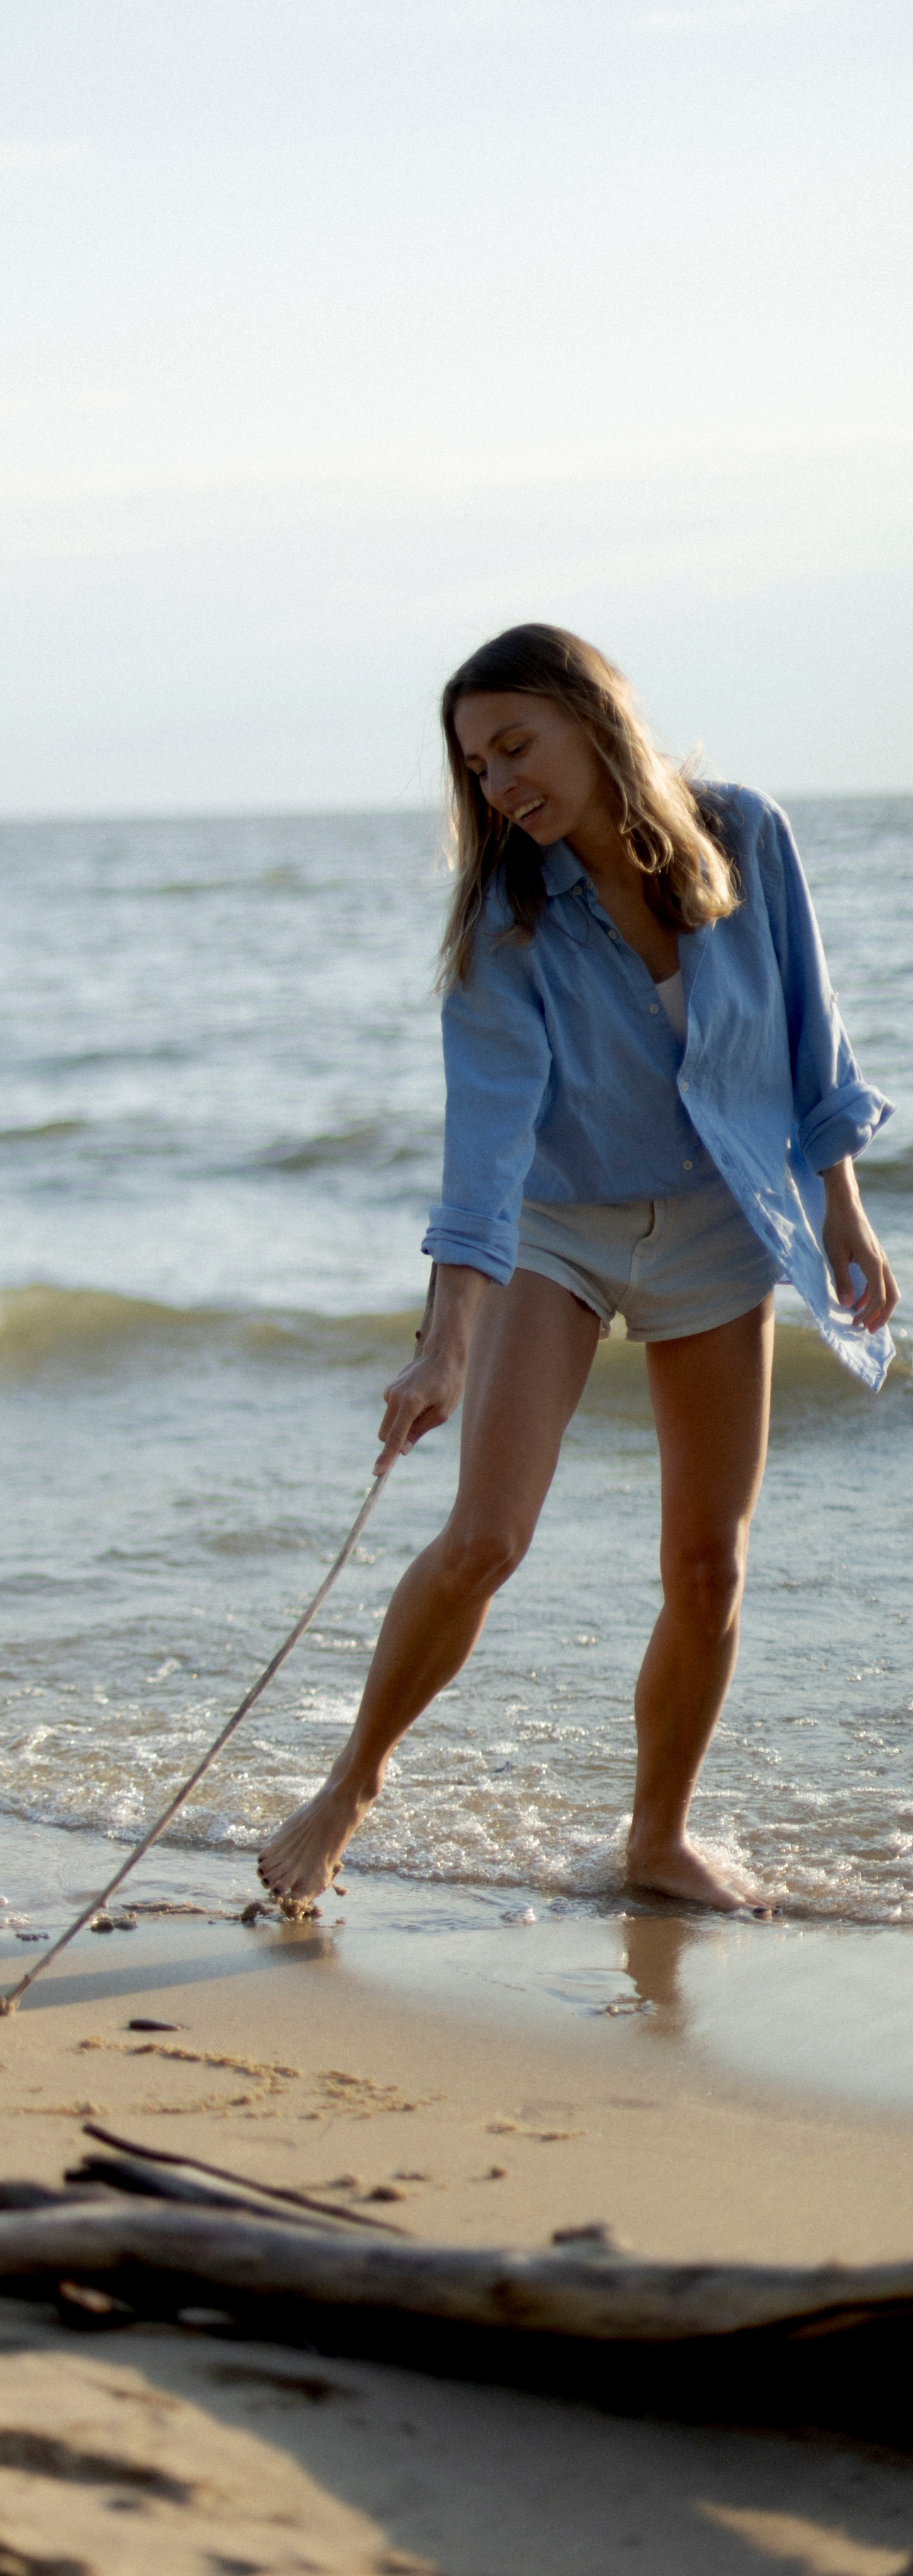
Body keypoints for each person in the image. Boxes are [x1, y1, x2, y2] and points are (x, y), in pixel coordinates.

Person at [259, 624, 897, 1917]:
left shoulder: (747, 836)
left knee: (709, 1568)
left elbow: (808, 1042)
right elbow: (485, 1138)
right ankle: (352, 1787)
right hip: (563, 1225)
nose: (497, 788)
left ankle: (657, 1839)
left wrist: (845, 1212)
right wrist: (445, 1342)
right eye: (477, 768)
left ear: (593, 722)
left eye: (514, 748)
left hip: (724, 1221)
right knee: (487, 1538)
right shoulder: (511, 911)